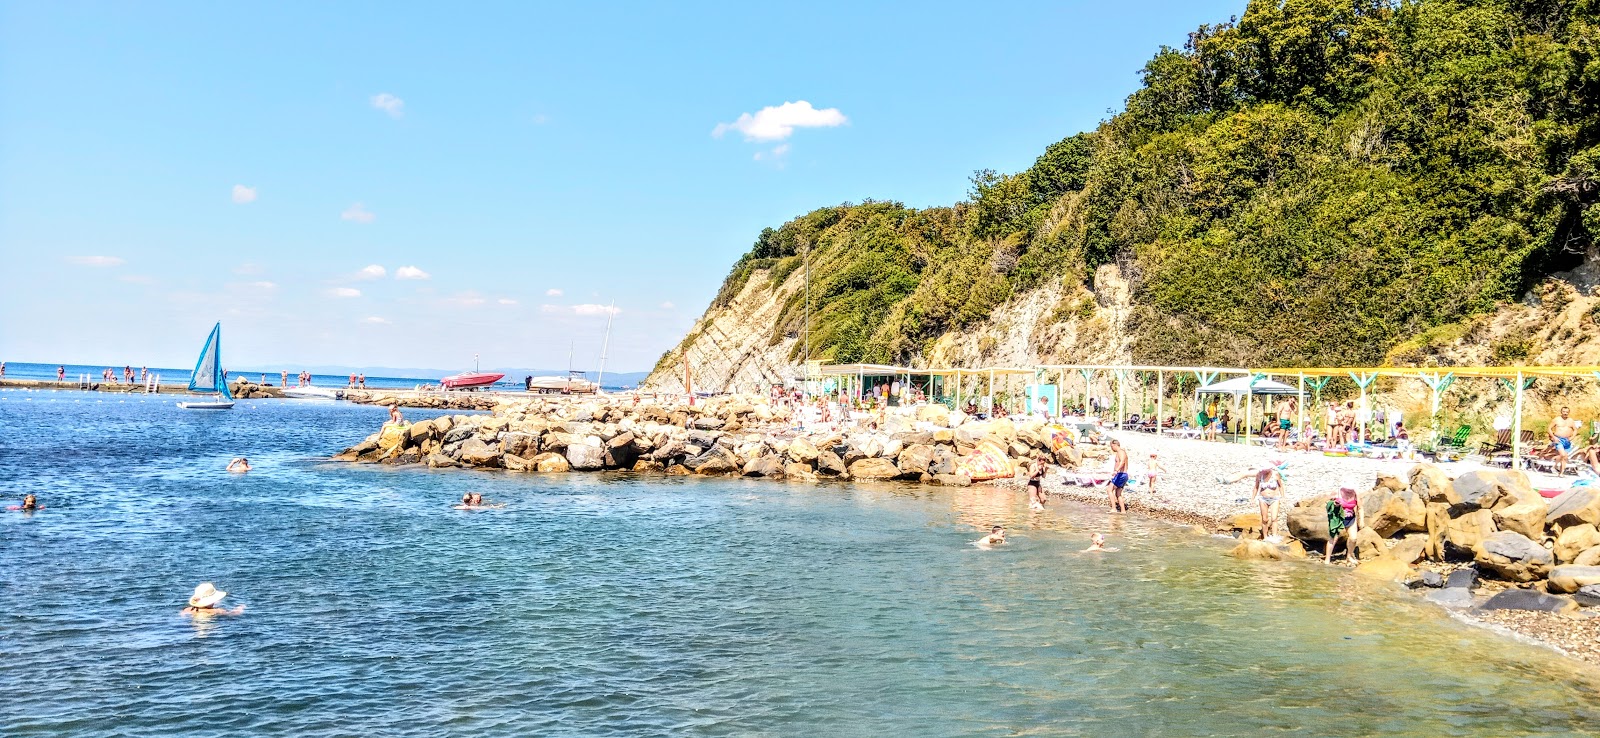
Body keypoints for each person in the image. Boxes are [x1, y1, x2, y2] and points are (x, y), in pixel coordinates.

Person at [1325, 479, 1364, 564]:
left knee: (1353, 538)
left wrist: (1361, 520)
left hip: (1351, 518)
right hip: (1338, 519)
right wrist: (1334, 504)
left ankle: (1349, 556)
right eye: (1347, 489)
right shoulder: (1337, 492)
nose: (1348, 491)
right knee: (1333, 538)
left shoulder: (1356, 493)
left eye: (1350, 489)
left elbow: (1360, 508)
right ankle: (1327, 559)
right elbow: (1328, 503)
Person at [1253, 462, 1286, 541]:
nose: (1263, 471)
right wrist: (1253, 498)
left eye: (1265, 470)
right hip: (1263, 498)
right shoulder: (1259, 475)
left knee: (1274, 518)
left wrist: (1283, 496)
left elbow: (1280, 486)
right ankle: (1265, 537)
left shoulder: (1276, 475)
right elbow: (1256, 487)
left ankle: (1274, 536)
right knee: (1265, 519)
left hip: (1275, 498)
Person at [1551, 407, 1581, 476]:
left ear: (1568, 412)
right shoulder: (1556, 419)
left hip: (1567, 440)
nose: (1565, 413)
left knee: (1565, 457)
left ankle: (1561, 473)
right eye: (1564, 411)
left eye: (1567, 412)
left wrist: (1572, 437)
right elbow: (1549, 428)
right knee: (1563, 454)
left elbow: (1575, 430)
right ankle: (1554, 466)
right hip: (1559, 440)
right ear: (1561, 412)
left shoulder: (1571, 420)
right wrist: (1553, 437)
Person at [1108, 439, 1129, 513]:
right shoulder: (1120, 452)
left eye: (1111, 446)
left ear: (1114, 445)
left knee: (1109, 490)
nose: (1111, 448)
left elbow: (1122, 462)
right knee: (1118, 494)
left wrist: (1116, 470)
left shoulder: (1121, 452)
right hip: (1122, 475)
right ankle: (1123, 511)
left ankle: (1114, 508)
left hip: (1121, 474)